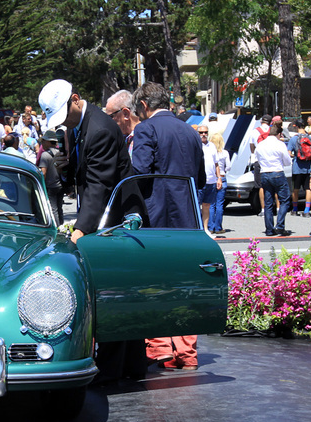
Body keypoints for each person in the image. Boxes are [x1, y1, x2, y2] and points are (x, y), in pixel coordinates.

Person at [38, 78, 143, 381]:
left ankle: (112, 370)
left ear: (76, 99)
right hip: (108, 217)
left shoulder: (98, 130)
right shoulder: (80, 125)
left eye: (64, 114)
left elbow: (98, 186)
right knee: (120, 297)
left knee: (113, 296)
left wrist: (81, 230)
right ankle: (130, 367)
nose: (63, 122)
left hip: (117, 220)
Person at [130, 82, 205, 230]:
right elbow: (201, 179)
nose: (138, 117)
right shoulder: (191, 132)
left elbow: (140, 173)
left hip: (159, 215)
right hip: (190, 216)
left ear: (144, 105)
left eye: (137, 111)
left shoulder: (146, 128)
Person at [254, 125, 292, 236]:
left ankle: (269, 229)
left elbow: (257, 160)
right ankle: (280, 225)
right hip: (277, 172)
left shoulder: (260, 145)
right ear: (279, 134)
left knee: (268, 203)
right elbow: (287, 161)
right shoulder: (280, 144)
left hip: (265, 173)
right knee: (284, 200)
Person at [195, 124, 220, 230]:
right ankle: (197, 228)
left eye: (205, 132)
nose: (203, 135)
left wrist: (219, 178)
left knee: (207, 205)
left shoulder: (212, 146)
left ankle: (206, 229)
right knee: (197, 206)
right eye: (201, 133)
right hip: (199, 181)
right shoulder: (196, 145)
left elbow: (216, 163)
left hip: (211, 180)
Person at [287, 122, 311, 217]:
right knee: (308, 189)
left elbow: (289, 153)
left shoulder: (293, 139)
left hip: (297, 168)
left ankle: (295, 210)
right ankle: (306, 210)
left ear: (297, 127)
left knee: (295, 189)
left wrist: (295, 156)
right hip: (309, 167)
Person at [103, 89, 141, 156]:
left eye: (111, 116)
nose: (108, 122)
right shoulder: (122, 139)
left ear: (126, 114)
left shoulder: (144, 136)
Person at [207, 132, 231, 235]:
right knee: (220, 204)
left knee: (211, 204)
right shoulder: (224, 153)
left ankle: (210, 226)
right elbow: (229, 166)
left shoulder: (210, 152)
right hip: (222, 177)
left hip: (213, 178)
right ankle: (218, 227)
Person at [39, 130, 64, 225]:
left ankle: (57, 228)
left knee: (53, 209)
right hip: (61, 185)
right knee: (59, 208)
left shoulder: (45, 155)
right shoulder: (60, 152)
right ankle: (62, 225)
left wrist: (42, 186)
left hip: (51, 186)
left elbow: (43, 173)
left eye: (43, 141)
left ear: (48, 141)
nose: (42, 143)